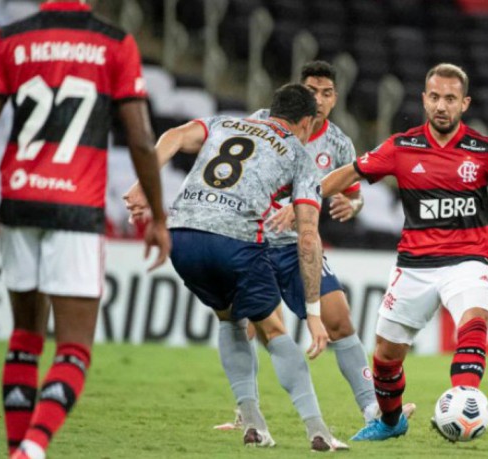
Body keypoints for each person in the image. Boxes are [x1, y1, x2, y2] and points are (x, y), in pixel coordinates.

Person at [0, 2, 171, 458]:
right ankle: (32, 450)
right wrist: (158, 218)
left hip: (19, 201)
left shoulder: (8, 40)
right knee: (74, 349)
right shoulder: (114, 44)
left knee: (25, 335)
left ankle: (14, 450)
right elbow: (141, 139)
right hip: (76, 209)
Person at [321, 63, 488, 441]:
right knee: (385, 355)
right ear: (424, 100)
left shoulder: (484, 150)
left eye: (450, 98)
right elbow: (349, 173)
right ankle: (391, 421)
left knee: (474, 319)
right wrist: (302, 201)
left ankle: (463, 400)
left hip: (468, 261)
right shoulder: (402, 147)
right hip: (414, 267)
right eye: (434, 97)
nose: (441, 105)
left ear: (464, 103)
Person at [124, 83, 347, 452]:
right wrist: (312, 312)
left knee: (228, 318)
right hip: (235, 241)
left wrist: (141, 184)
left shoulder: (227, 124)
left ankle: (254, 422)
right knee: (273, 328)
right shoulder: (299, 156)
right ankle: (317, 430)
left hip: (183, 235)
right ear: (306, 122)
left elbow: (175, 136)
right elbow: (308, 236)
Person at [214, 61, 411, 433]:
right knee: (248, 325)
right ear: (298, 91)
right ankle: (247, 413)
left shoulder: (338, 143)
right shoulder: (264, 122)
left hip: (297, 247)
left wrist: (350, 205)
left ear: (335, 98)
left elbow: (354, 197)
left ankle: (372, 410)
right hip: (252, 240)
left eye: (326, 93)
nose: (318, 100)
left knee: (339, 319)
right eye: (311, 91)